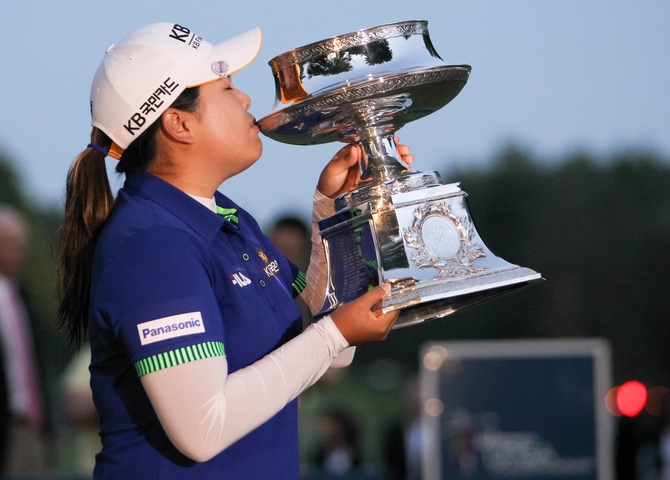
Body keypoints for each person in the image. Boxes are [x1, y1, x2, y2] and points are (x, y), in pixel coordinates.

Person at [56, 22, 414, 479]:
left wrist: (336, 213)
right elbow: (202, 429)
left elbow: (332, 347)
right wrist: (334, 334)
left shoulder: (228, 218)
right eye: (226, 87)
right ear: (179, 123)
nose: (245, 99)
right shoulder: (151, 244)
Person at [0, 205, 48, 474]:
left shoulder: (22, 295)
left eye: (21, 242)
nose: (19, 250)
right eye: (10, 241)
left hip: (31, 423)